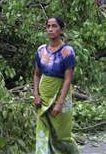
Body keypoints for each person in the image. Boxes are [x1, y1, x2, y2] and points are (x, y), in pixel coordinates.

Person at [33, 17, 79, 154]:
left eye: (54, 26)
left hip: (61, 97)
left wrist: (60, 102)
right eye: (48, 26)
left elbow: (68, 79)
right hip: (43, 98)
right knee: (43, 133)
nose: (51, 29)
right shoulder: (41, 50)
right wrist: (35, 94)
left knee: (61, 136)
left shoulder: (67, 52)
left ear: (61, 29)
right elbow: (36, 74)